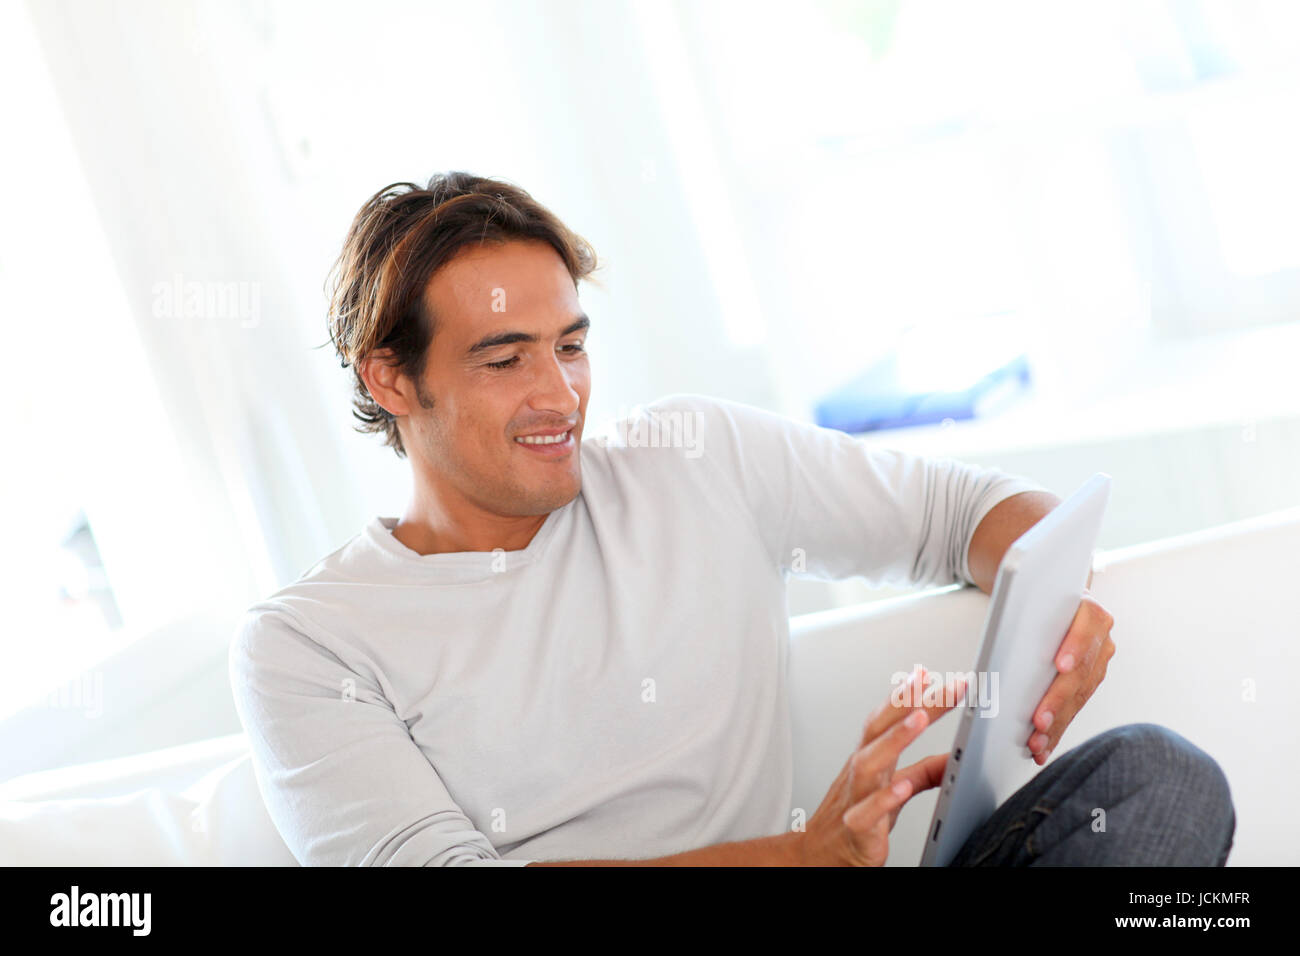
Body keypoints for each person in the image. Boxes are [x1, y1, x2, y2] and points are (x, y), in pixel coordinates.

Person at [228, 171, 1234, 866]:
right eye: (505, 359)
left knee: (1158, 780)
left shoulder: (695, 459)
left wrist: (1058, 602)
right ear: (391, 377)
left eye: (570, 346)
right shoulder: (308, 642)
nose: (558, 394)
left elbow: (966, 512)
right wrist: (801, 854)